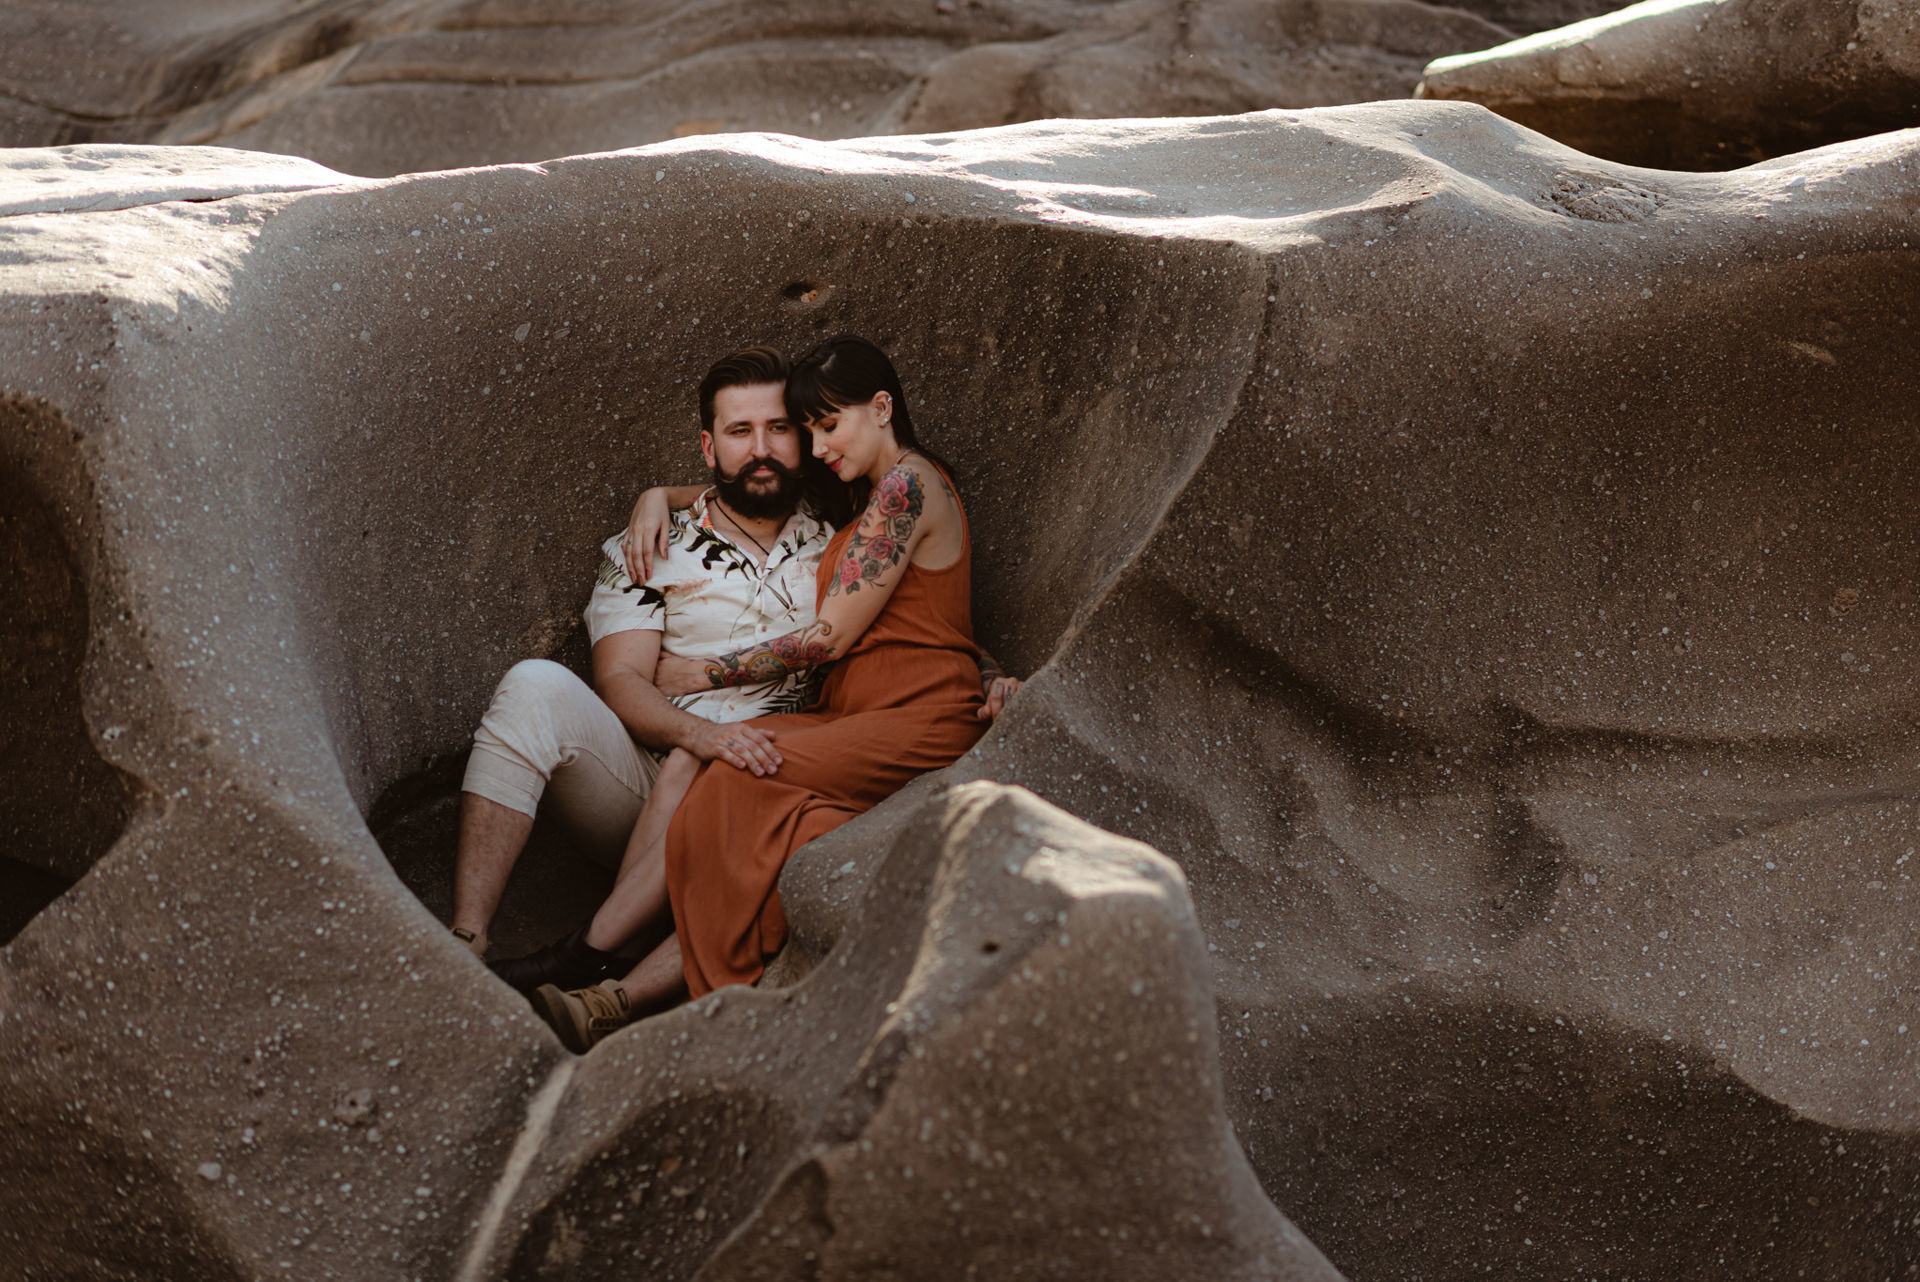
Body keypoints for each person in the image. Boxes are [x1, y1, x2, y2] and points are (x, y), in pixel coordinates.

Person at [532, 334, 1015, 1050]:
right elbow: (747, 486)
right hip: (851, 713)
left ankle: (611, 979)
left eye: (828, 425)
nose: (817, 448)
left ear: (883, 408)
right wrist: (655, 497)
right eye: (809, 431)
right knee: (742, 778)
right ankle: (613, 987)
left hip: (913, 713)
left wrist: (703, 671)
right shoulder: (866, 495)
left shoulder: (906, 487)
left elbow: (830, 639)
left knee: (738, 775)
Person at [447, 346, 837, 992]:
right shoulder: (653, 545)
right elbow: (620, 681)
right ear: (709, 447)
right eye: (740, 431)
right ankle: (464, 943)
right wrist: (701, 736)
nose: (761, 449)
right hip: (648, 783)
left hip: (774, 784)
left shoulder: (842, 539)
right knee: (533, 686)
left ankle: (610, 956)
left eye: (778, 428)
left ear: (803, 438)